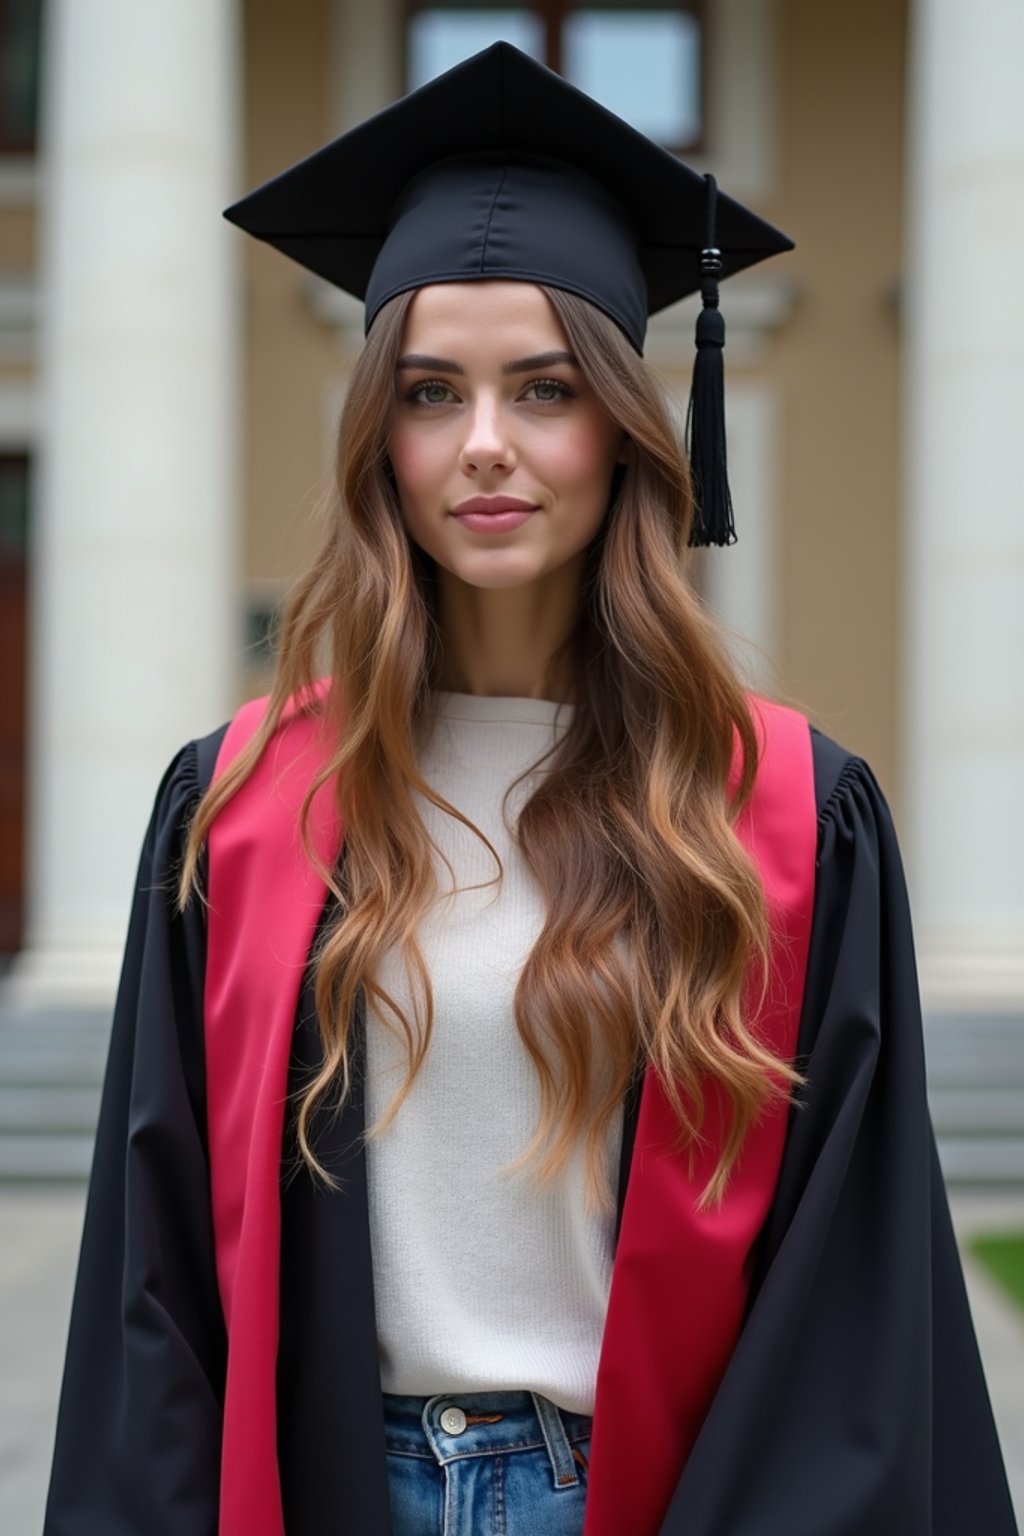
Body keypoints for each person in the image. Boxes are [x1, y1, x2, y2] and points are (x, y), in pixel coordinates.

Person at [43, 41, 1017, 1536]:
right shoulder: (241, 805)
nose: (484, 447)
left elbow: (850, 1295)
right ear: (382, 436)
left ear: (626, 426)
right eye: (433, 392)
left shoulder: (783, 815)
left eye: (543, 388)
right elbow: (153, 1280)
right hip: (330, 1495)